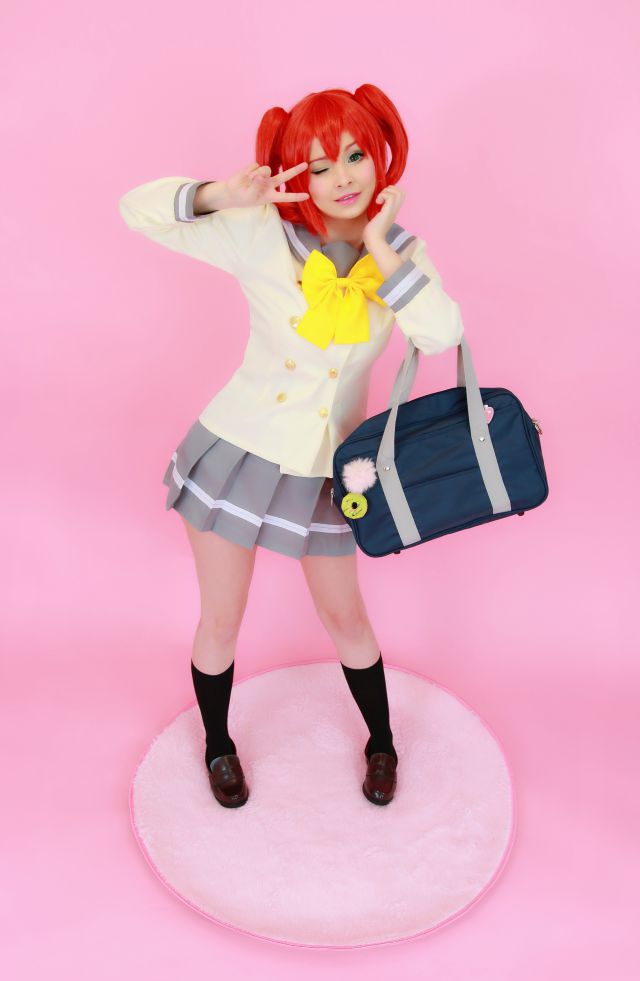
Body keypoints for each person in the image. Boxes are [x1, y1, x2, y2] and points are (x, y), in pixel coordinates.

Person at [118, 83, 464, 809]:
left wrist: (379, 247)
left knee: (347, 618)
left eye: (354, 155)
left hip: (332, 472)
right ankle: (217, 745)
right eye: (319, 166)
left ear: (379, 155)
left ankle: (381, 743)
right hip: (237, 452)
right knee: (221, 618)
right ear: (295, 176)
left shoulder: (401, 253)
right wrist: (222, 194)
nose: (342, 178)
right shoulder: (262, 232)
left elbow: (441, 335)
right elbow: (136, 209)